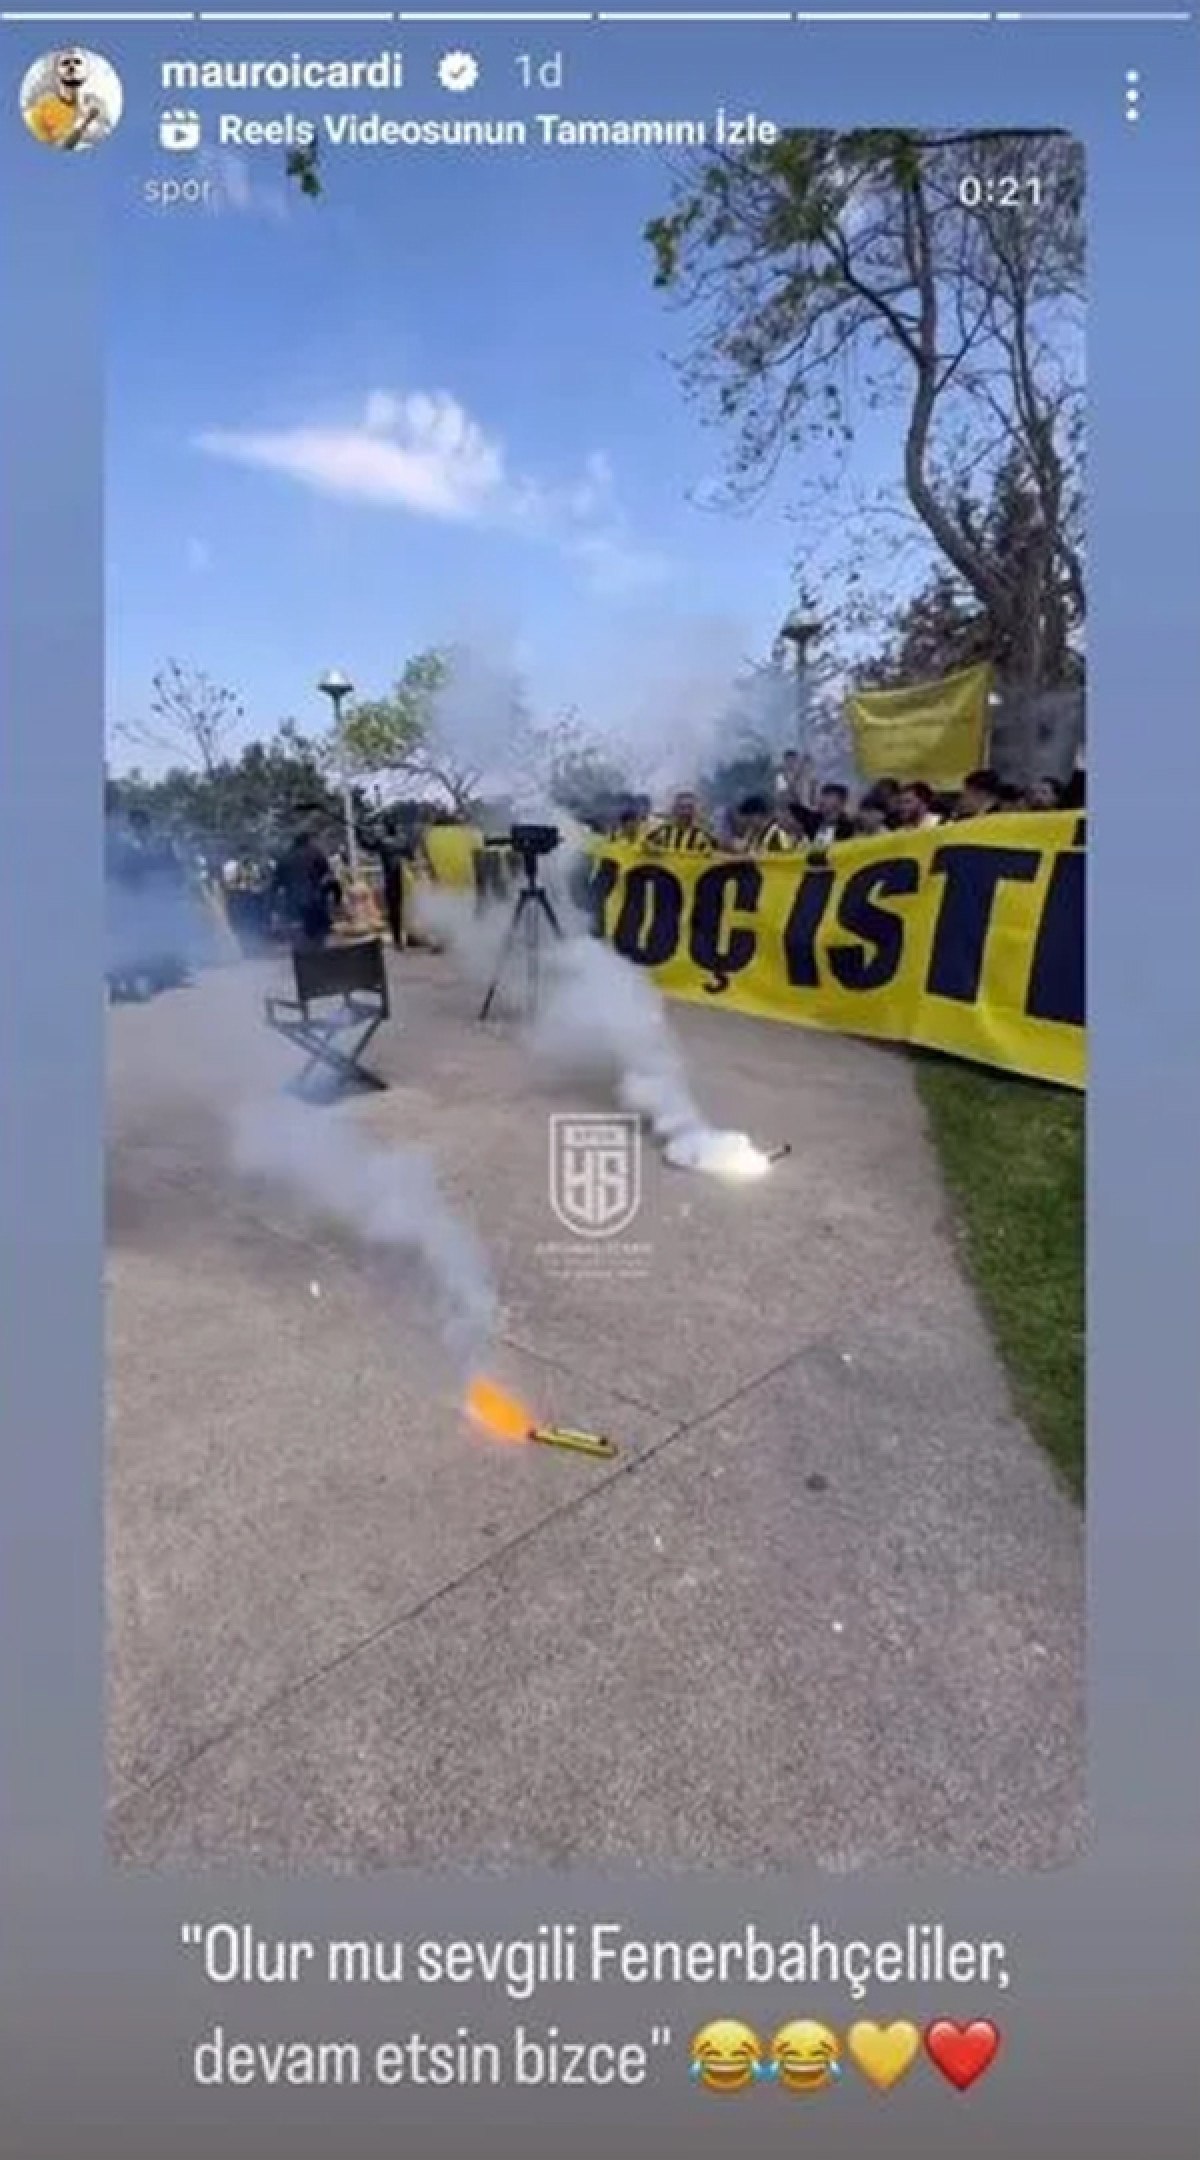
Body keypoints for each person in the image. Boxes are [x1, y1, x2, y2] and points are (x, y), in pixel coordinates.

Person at [24, 49, 112, 149]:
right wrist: (83, 124)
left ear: (87, 72)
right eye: (65, 63)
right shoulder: (42, 108)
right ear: (56, 72)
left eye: (77, 62)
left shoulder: (99, 106)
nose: (72, 66)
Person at [270, 826, 342, 946]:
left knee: (300, 938)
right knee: (320, 936)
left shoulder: (285, 858)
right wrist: (337, 901)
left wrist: (275, 909)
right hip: (315, 902)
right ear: (309, 840)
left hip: (293, 906)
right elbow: (329, 877)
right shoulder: (315, 853)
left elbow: (275, 886)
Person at [358, 810, 412, 949]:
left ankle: (400, 939)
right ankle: (403, 938)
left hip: (394, 878)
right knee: (400, 909)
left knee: (395, 910)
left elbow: (368, 846)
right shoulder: (401, 840)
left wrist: (359, 833)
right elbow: (410, 855)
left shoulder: (384, 842)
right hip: (402, 879)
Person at [643, 789, 717, 854]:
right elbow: (644, 846)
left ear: (695, 810)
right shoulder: (662, 831)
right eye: (682, 808)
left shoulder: (704, 835)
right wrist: (654, 850)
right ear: (675, 809)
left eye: (690, 807)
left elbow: (716, 855)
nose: (686, 812)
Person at [731, 793, 799, 854]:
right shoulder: (757, 832)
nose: (748, 823)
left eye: (749, 819)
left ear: (757, 815)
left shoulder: (775, 834)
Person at [800, 782, 856, 847]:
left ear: (841, 803)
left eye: (828, 796)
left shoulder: (847, 826)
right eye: (823, 795)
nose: (822, 800)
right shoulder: (811, 818)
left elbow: (820, 847)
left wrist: (830, 820)